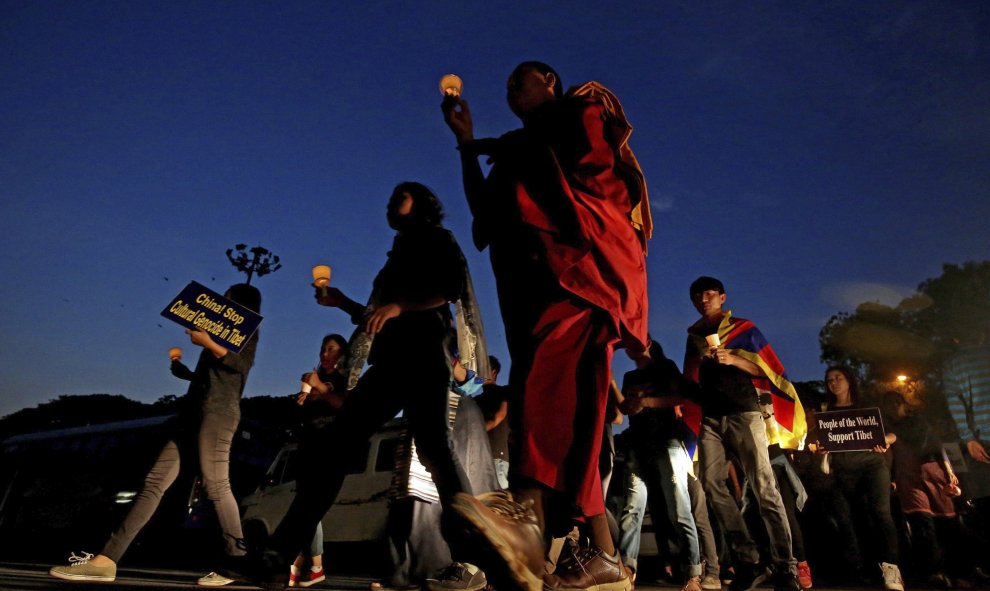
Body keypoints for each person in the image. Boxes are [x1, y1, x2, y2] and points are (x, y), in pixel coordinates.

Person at [442, 60, 650, 591]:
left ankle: (529, 514)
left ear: (549, 83)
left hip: (576, 275)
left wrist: (517, 149)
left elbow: (598, 183)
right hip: (529, 283)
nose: (510, 89)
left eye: (521, 80)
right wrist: (468, 143)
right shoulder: (518, 146)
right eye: (507, 84)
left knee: (546, 386)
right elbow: (484, 210)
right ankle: (603, 557)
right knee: (567, 404)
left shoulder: (577, 114)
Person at [235, 183, 476, 589]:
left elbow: (450, 290)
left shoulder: (437, 238)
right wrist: (343, 303)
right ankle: (279, 555)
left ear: (423, 204)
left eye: (400, 196)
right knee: (335, 448)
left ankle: (471, 561)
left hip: (423, 358)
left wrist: (400, 306)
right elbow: (375, 317)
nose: (389, 202)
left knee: (438, 452)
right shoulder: (397, 253)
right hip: (389, 363)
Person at [49, 283, 261, 587]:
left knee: (216, 484)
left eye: (227, 298)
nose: (221, 301)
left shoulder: (247, 330)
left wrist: (208, 343)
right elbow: (213, 376)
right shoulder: (217, 333)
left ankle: (237, 561)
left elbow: (238, 366)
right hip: (192, 414)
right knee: (154, 483)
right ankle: (107, 560)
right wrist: (185, 370)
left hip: (219, 414)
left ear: (239, 304)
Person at [682, 276, 803, 591]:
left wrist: (734, 359)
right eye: (698, 295)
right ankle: (748, 561)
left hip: (744, 413)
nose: (704, 299)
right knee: (710, 484)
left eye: (710, 294)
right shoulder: (694, 335)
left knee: (764, 488)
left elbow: (771, 371)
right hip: (710, 417)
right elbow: (689, 380)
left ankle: (785, 567)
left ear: (722, 297)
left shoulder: (744, 327)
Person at [811, 366, 903, 591]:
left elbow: (892, 433)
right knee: (852, 521)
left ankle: (892, 569)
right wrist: (821, 449)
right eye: (829, 379)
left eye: (838, 378)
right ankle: (861, 569)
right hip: (843, 473)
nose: (834, 382)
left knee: (881, 513)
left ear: (849, 380)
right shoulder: (827, 411)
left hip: (872, 467)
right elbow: (820, 442)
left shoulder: (867, 407)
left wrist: (885, 441)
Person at [882, 390, 964, 587]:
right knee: (921, 523)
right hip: (907, 477)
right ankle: (932, 572)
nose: (894, 406)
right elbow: (890, 448)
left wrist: (949, 470)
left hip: (933, 474)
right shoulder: (887, 427)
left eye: (896, 402)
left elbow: (937, 445)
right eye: (889, 403)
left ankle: (957, 571)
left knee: (947, 523)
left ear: (904, 404)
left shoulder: (919, 423)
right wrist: (892, 478)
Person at [288, 333, 350, 588]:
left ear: (342, 354)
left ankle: (303, 564)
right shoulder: (318, 380)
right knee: (306, 504)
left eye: (331, 349)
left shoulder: (344, 379)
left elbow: (345, 406)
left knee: (309, 505)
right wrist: (304, 398)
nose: (325, 354)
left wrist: (321, 389)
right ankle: (309, 565)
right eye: (323, 349)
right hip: (308, 443)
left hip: (329, 446)